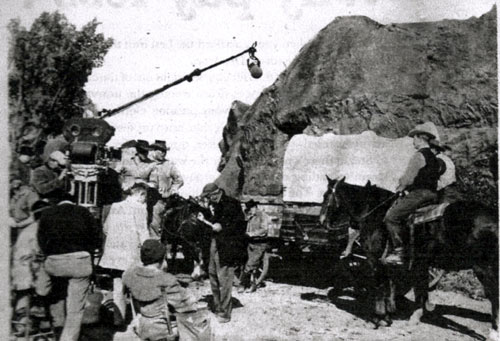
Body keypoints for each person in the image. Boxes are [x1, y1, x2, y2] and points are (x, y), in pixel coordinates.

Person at [37, 193, 101, 341]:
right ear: (74, 202)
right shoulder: (84, 212)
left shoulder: (48, 213)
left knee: (52, 288)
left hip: (55, 263)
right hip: (79, 262)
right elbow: (96, 239)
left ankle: (42, 300)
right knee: (75, 309)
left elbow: (41, 240)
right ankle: (68, 338)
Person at [123, 239, 211, 341]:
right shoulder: (167, 281)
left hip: (142, 325)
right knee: (200, 322)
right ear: (162, 260)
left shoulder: (130, 275)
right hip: (164, 330)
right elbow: (187, 305)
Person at [384, 122, 442, 265]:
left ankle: (399, 252)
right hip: (432, 194)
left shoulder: (418, 156)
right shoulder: (434, 157)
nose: (413, 142)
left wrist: (399, 188)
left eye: (414, 139)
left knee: (391, 217)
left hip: (419, 194)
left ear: (420, 138)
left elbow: (408, 178)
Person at [100, 182, 150, 325]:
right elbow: (143, 231)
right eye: (145, 197)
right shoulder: (140, 208)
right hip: (131, 254)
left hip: (114, 255)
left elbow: (106, 229)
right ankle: (139, 319)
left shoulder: (115, 206)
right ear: (141, 194)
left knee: (118, 286)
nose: (145, 200)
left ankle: (118, 319)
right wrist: (148, 250)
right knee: (137, 286)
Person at [197, 183, 246, 323]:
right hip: (215, 243)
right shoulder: (216, 205)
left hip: (227, 248)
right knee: (212, 275)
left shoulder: (232, 204)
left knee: (224, 280)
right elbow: (214, 222)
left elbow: (239, 225)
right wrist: (205, 217)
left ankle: (225, 313)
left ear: (215, 194)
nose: (208, 200)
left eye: (208, 197)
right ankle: (217, 307)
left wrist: (223, 227)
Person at [11, 200, 52, 321]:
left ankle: (27, 320)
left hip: (23, 270)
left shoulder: (31, 228)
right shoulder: (37, 230)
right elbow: (37, 254)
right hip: (28, 271)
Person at [148, 140, 184, 238]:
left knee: (155, 226)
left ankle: (155, 249)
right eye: (161, 151)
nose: (163, 153)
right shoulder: (147, 163)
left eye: (165, 151)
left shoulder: (169, 165)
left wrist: (171, 191)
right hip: (145, 200)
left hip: (159, 201)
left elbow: (179, 180)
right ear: (154, 151)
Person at [238, 200, 271, 293]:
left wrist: (252, 234)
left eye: (251, 208)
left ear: (255, 207)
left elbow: (264, 229)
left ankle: (243, 284)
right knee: (250, 264)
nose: (250, 210)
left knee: (251, 264)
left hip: (259, 243)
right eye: (248, 209)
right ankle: (251, 284)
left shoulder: (262, 216)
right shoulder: (251, 216)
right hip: (251, 243)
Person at [429, 139, 461, 204]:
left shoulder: (437, 160)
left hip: (445, 191)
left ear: (434, 150)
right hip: (452, 189)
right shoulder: (445, 158)